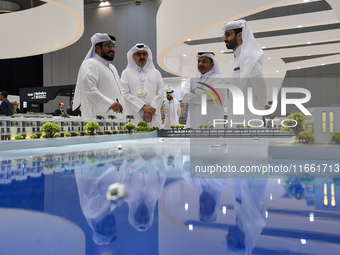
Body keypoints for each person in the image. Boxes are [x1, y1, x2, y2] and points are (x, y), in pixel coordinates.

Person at [222, 19, 273, 128]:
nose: (224, 39)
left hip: (248, 121)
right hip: (236, 121)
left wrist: (264, 105)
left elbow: (259, 84)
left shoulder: (248, 57)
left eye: (227, 35)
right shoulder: (237, 59)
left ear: (239, 35)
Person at [73, 33, 123, 119]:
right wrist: (109, 103)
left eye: (113, 46)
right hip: (97, 118)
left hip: (114, 117)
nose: (112, 49)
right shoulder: (90, 64)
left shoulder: (112, 68)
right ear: (98, 48)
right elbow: (89, 89)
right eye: (108, 45)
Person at [120, 43, 165, 128]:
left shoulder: (156, 73)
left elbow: (161, 92)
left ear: (147, 56)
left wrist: (151, 109)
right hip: (134, 115)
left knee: (153, 139)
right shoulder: (126, 73)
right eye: (138, 54)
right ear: (133, 56)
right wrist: (143, 107)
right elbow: (125, 93)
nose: (142, 57)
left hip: (152, 115)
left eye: (144, 54)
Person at [181, 52, 226, 128]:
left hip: (211, 124)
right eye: (199, 61)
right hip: (193, 124)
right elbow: (185, 97)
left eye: (204, 61)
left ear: (212, 64)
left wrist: (195, 91)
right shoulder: (191, 80)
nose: (200, 64)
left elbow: (212, 94)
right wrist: (206, 99)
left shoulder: (219, 79)